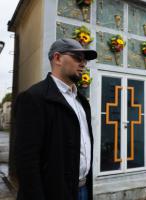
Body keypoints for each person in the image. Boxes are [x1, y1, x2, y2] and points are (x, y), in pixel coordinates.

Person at [14, 38, 97, 200]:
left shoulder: (81, 101)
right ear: (57, 58)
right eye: (77, 58)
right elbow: (26, 161)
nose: (83, 64)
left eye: (85, 60)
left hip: (83, 189)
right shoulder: (34, 98)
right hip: (52, 193)